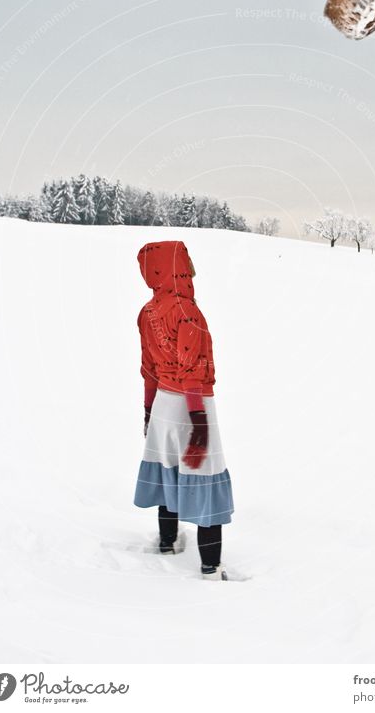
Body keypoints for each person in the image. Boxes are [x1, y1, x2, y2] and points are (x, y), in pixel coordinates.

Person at [133, 240, 234, 580]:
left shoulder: (147, 312)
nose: (191, 269)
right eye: (186, 262)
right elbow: (194, 371)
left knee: (168, 469)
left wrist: (149, 412)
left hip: (163, 402)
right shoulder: (187, 311)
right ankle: (210, 567)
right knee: (204, 479)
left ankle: (167, 543)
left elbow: (148, 368)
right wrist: (199, 423)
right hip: (192, 405)